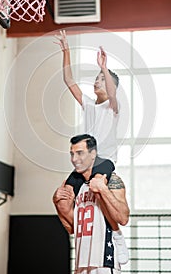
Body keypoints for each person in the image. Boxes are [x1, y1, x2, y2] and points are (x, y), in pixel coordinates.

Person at [54, 29, 129, 264]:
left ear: (109, 87)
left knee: (98, 189)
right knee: (62, 196)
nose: (97, 81)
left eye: (102, 80)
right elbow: (69, 80)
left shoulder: (113, 108)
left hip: (103, 159)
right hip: (85, 162)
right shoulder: (88, 104)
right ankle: (76, 232)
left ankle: (116, 235)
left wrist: (104, 68)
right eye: (96, 78)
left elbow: (113, 92)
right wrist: (66, 51)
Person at [53, 134, 130, 274]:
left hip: (104, 261)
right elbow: (71, 228)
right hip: (82, 261)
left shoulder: (112, 180)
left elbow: (123, 217)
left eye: (80, 153)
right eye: (72, 154)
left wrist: (103, 189)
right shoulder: (78, 186)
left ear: (93, 154)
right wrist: (57, 204)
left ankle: (118, 237)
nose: (74, 159)